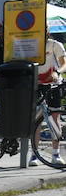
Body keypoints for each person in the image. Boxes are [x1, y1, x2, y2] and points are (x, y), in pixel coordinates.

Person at [36, 33, 64, 165]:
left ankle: (56, 154)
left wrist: (57, 71)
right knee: (36, 120)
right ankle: (34, 154)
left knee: (55, 118)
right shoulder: (31, 44)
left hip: (54, 85)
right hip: (37, 85)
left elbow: (64, 63)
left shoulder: (54, 44)